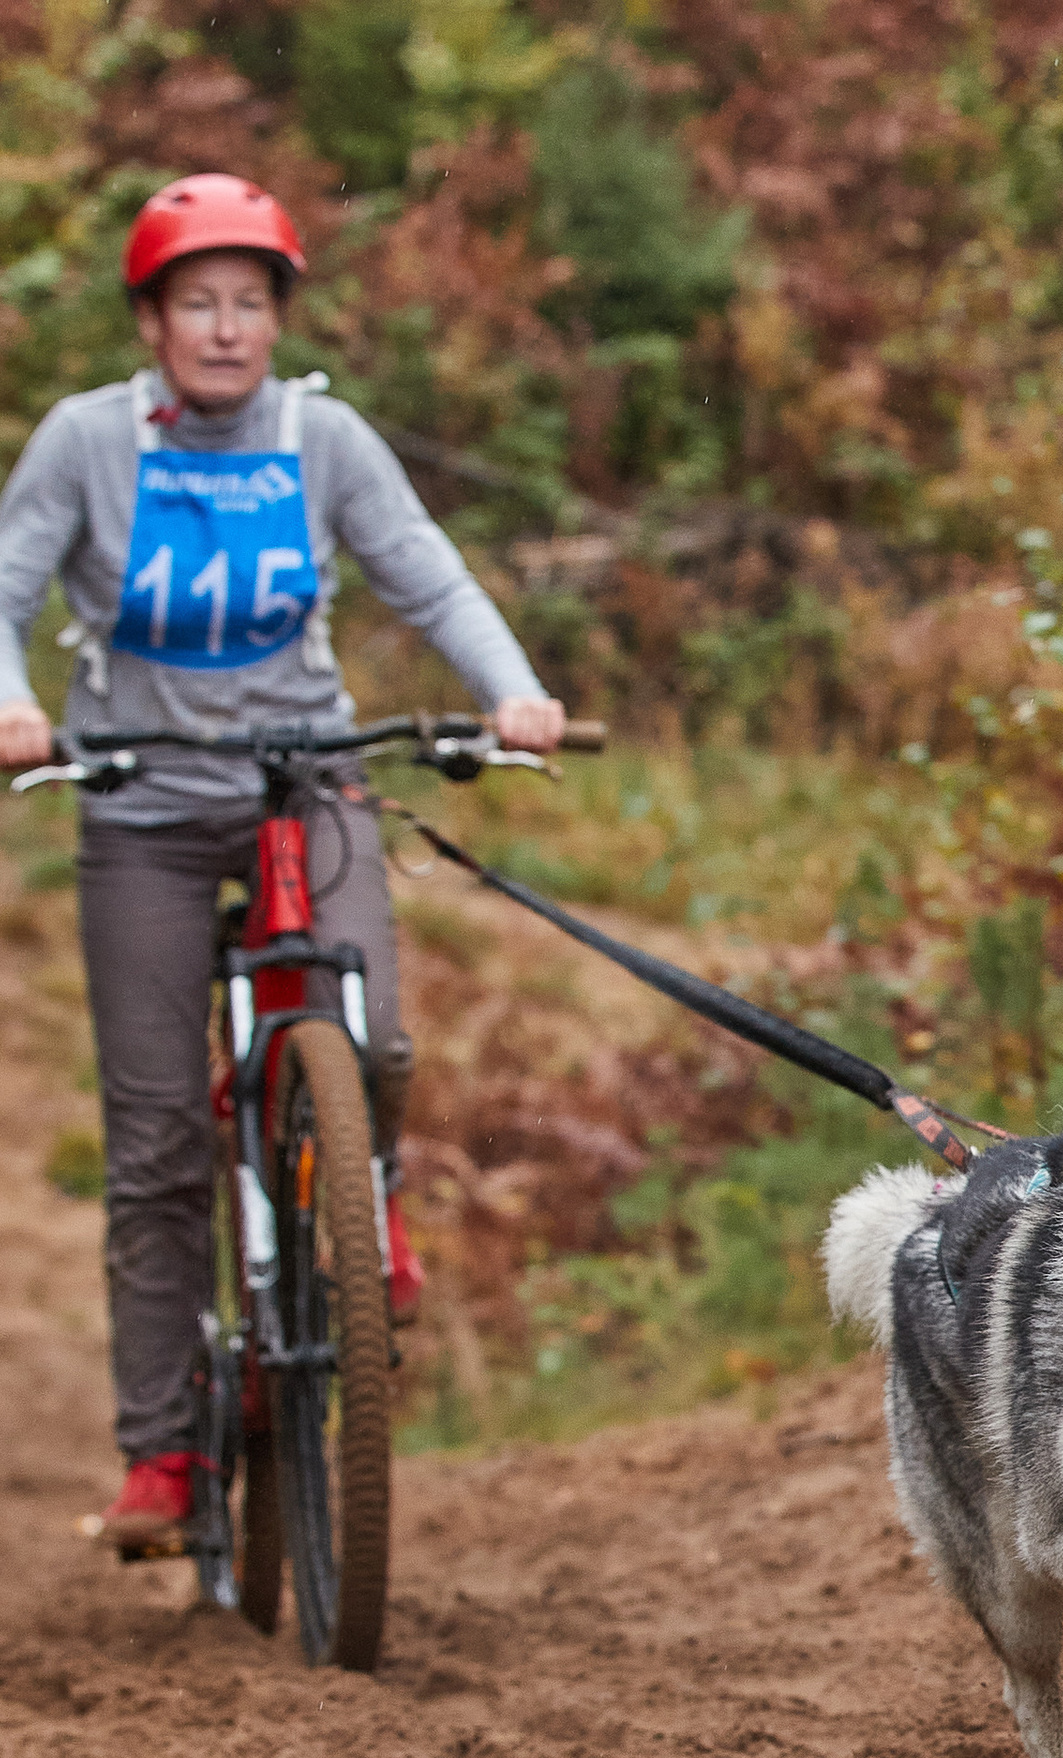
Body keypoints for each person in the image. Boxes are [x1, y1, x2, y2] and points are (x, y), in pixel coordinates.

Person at [0, 174, 567, 1549]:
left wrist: (512, 691)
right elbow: (3, 591)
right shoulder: (85, 442)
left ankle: (366, 1204)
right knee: (153, 1144)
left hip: (309, 779)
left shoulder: (324, 437)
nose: (223, 329)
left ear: (277, 319)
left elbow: (424, 570)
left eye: (248, 303)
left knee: (369, 1032)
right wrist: (14, 706)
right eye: (195, 304)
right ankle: (163, 1458)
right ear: (150, 322)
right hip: (139, 801)